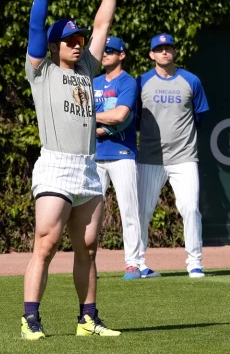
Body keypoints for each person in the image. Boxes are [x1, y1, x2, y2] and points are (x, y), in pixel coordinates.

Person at [20, 0, 121, 340]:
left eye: (79, 39)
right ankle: (30, 320)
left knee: (90, 247)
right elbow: (35, 27)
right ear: (54, 45)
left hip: (87, 167)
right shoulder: (41, 71)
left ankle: (88, 319)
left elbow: (103, 21)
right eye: (69, 40)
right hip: (56, 165)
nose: (78, 43)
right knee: (45, 244)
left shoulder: (86, 70)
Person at [135, 33, 210, 279]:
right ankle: (137, 263)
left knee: (190, 209)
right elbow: (134, 118)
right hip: (150, 158)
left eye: (168, 48)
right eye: (159, 48)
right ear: (151, 54)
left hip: (184, 157)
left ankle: (195, 262)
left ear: (175, 52)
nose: (164, 52)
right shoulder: (142, 82)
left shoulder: (191, 81)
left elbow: (200, 116)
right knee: (143, 211)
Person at [93, 36, 143, 280]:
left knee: (129, 210)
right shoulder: (93, 82)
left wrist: (94, 118)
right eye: (104, 50)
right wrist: (103, 117)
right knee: (89, 214)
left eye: (111, 51)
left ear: (121, 55)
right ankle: (87, 262)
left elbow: (120, 116)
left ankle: (133, 264)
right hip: (95, 155)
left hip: (122, 154)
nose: (105, 54)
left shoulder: (128, 82)